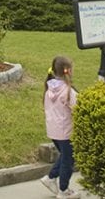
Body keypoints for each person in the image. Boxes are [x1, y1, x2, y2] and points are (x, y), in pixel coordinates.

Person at [40, 55, 79, 199]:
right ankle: (63, 190)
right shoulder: (69, 91)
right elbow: (77, 110)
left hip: (53, 131)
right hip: (67, 132)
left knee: (65, 157)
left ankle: (50, 178)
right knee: (68, 162)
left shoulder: (48, 88)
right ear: (68, 70)